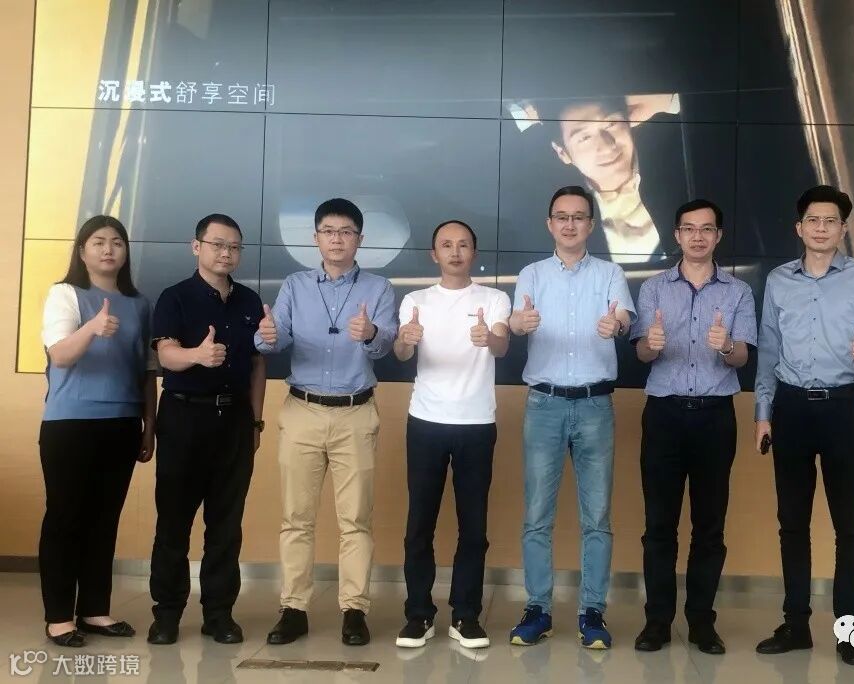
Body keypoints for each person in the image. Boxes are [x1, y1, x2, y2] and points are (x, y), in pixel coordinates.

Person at [753, 185, 854, 667]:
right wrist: (763, 414)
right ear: (799, 227)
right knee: (792, 524)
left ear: (843, 229)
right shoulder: (778, 280)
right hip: (790, 409)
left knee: (848, 525)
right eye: (813, 220)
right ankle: (796, 624)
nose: (821, 228)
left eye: (830, 221)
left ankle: (850, 631)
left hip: (842, 409)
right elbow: (768, 349)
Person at [256, 198, 398, 647]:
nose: (337, 239)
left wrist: (370, 333)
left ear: (360, 239)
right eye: (329, 231)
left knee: (355, 518)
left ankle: (354, 610)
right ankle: (293, 608)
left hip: (356, 412)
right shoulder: (295, 285)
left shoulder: (378, 288)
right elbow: (273, 338)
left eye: (346, 232)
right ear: (316, 238)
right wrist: (267, 336)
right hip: (303, 411)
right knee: (296, 517)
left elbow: (387, 345)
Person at [507, 185, 635, 650]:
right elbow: (515, 322)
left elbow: (624, 317)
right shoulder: (532, 274)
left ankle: (592, 612)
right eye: (561, 216)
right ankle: (537, 608)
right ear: (550, 224)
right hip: (544, 404)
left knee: (596, 515)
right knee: (537, 514)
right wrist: (518, 325)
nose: (569, 224)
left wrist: (616, 324)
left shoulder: (610, 273)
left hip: (595, 405)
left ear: (591, 225)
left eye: (578, 217)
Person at [629, 199, 757, 654]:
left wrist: (725, 346)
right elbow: (641, 353)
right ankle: (657, 622)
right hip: (663, 415)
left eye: (706, 229)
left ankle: (702, 622)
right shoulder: (653, 289)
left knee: (709, 526)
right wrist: (650, 344)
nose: (698, 236)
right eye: (689, 228)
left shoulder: (738, 292)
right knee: (659, 525)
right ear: (677, 235)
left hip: (714, 417)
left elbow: (742, 357)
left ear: (718, 236)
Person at [147, 213, 266, 645]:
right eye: (217, 244)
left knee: (226, 525)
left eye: (234, 246)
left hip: (234, 421)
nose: (226, 253)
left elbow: (257, 364)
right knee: (173, 522)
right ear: (196, 247)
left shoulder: (250, 301)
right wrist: (196, 355)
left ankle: (219, 614)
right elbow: (165, 354)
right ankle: (167, 614)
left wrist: (255, 421)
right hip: (183, 418)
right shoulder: (175, 297)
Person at [38, 215, 157, 647]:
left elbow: (147, 372)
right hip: (70, 423)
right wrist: (91, 327)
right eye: (99, 242)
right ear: (82, 251)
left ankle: (93, 610)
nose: (109, 249)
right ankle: (58, 616)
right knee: (65, 517)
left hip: (123, 423)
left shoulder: (139, 304)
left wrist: (149, 425)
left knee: (105, 520)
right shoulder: (65, 293)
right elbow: (60, 355)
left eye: (117, 242)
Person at [392, 220, 510, 651]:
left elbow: (502, 345)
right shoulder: (415, 300)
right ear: (434, 253)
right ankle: (418, 615)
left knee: (473, 526)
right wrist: (406, 340)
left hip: (476, 423)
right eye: (446, 245)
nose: (455, 252)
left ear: (474, 253)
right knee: (419, 524)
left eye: (463, 245)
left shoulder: (494, 299)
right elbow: (401, 352)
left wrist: (489, 338)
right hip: (425, 421)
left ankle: (466, 615)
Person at [537, 95, 686, 263]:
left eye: (611, 124)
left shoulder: (680, 152)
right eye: (584, 138)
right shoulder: (556, 217)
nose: (607, 146)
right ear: (563, 152)